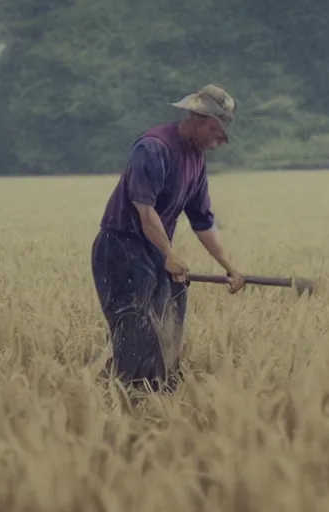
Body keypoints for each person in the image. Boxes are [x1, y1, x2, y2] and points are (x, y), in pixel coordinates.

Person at [91, 84, 245, 392]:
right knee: (136, 332)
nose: (218, 139)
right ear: (197, 117)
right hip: (122, 249)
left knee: (169, 328)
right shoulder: (153, 148)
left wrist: (229, 266)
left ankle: (159, 402)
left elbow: (202, 220)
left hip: (156, 253)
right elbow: (145, 211)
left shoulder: (196, 159)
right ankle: (128, 402)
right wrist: (169, 254)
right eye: (215, 129)